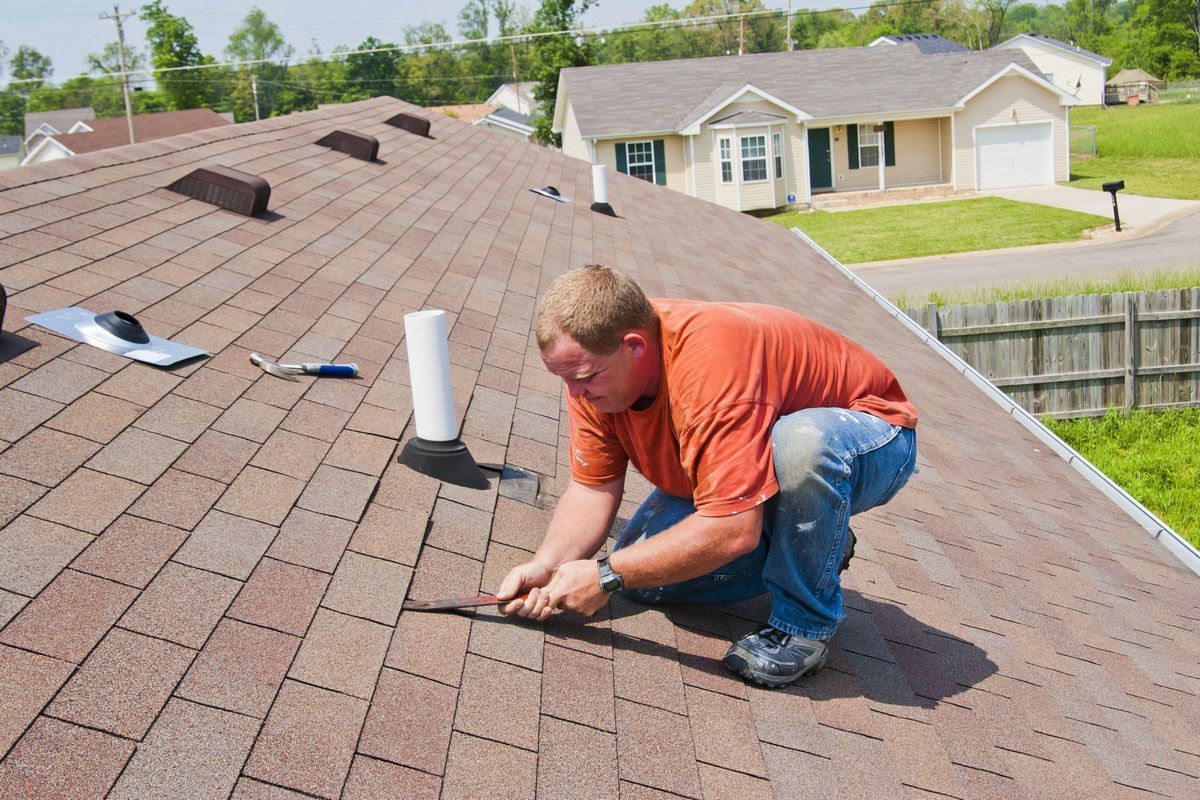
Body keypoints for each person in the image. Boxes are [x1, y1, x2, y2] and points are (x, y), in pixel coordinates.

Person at [496, 265, 918, 687]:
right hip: (762, 455)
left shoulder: (709, 368)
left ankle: (805, 625)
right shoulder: (593, 376)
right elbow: (593, 487)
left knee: (803, 442)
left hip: (871, 437)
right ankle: (815, 541)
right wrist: (549, 565)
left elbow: (733, 530)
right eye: (564, 379)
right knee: (643, 575)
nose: (574, 393)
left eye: (583, 378)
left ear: (634, 347)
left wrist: (604, 574)